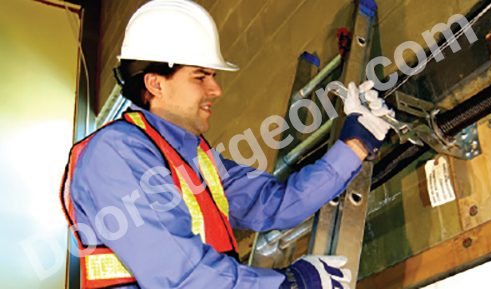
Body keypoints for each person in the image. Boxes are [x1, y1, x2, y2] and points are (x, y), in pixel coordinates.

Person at [60, 0, 392, 288]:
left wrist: (355, 145)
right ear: (155, 83)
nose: (216, 90)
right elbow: (182, 276)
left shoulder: (194, 157)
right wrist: (289, 284)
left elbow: (276, 205)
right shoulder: (116, 153)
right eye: (200, 77)